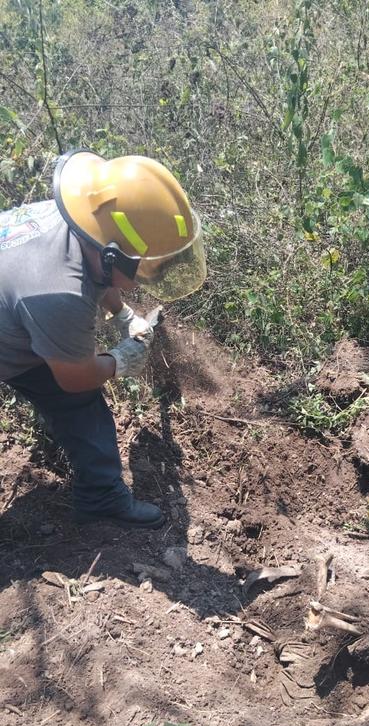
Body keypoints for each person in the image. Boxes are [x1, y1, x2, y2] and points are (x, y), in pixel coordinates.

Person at [0, 149, 206, 528]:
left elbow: (98, 274)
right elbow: (74, 377)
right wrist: (119, 360)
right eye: (146, 269)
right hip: (18, 327)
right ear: (114, 258)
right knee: (77, 396)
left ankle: (97, 491)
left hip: (18, 317)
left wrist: (122, 313)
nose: (148, 277)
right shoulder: (58, 293)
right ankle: (101, 500)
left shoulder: (81, 222)